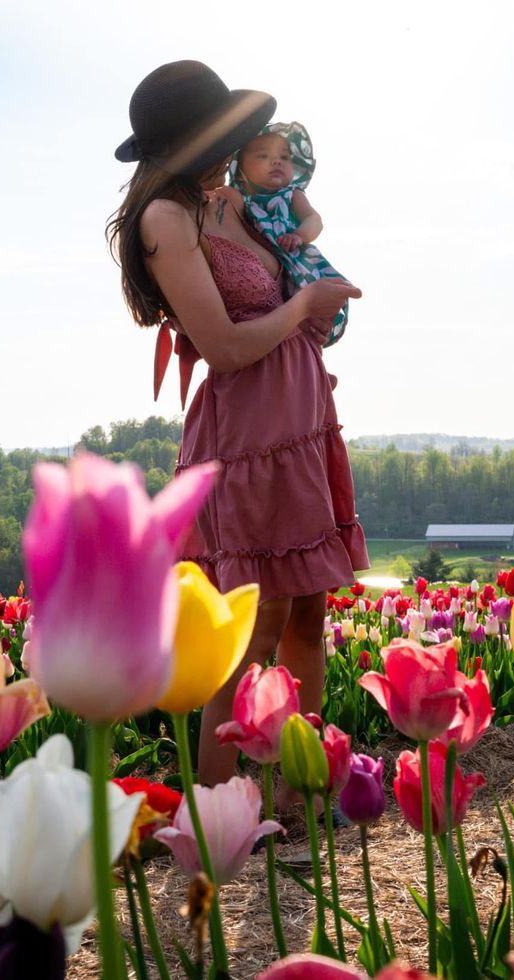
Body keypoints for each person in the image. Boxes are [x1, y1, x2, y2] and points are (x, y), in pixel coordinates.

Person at [107, 60, 369, 789]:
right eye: (220, 132)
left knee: (307, 623)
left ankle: (299, 792)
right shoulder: (167, 218)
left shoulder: (231, 201)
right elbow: (222, 348)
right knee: (247, 634)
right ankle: (221, 807)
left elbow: (295, 240)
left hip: (302, 422)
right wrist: (303, 308)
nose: (235, 144)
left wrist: (309, 335)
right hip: (247, 439)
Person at [226, 121, 351, 346]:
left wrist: (299, 236)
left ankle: (314, 353)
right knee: (277, 309)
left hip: (295, 259)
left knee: (312, 307)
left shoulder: (291, 195)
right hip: (262, 271)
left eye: (284, 157)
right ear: (240, 168)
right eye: (262, 156)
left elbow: (315, 220)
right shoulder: (238, 203)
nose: (276, 161)